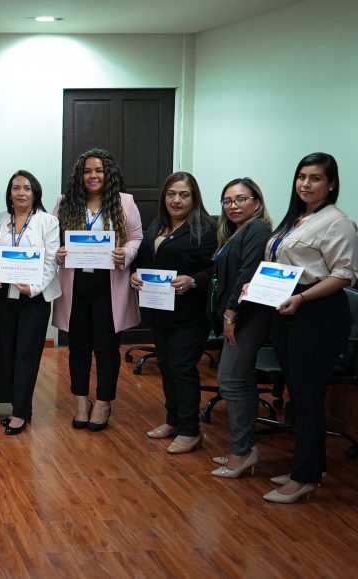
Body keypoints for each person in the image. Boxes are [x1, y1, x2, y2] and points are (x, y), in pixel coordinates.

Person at [259, 153, 357, 504]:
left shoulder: (338, 222)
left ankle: (304, 477)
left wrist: (302, 299)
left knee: (307, 396)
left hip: (317, 312)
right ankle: (310, 465)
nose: (306, 184)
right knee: (297, 394)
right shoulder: (296, 219)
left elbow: (343, 275)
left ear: (331, 184)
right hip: (286, 308)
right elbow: (278, 265)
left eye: (315, 178)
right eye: (302, 176)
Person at [53, 148, 143, 431]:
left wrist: (125, 254)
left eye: (99, 170)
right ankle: (82, 401)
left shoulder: (124, 203)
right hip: (75, 284)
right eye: (87, 171)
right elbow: (52, 238)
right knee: (77, 347)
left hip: (109, 285)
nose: (93, 176)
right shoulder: (64, 202)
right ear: (79, 176)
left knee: (106, 348)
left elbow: (137, 238)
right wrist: (57, 252)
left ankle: (103, 402)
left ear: (109, 175)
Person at [130, 172, 217, 454]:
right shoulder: (158, 224)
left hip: (190, 313)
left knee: (182, 367)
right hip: (160, 309)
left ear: (194, 198)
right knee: (166, 366)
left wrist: (193, 280)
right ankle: (173, 420)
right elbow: (147, 259)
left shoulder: (207, 229)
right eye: (171, 194)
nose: (176, 200)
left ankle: (191, 430)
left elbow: (214, 270)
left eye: (184, 195)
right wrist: (134, 275)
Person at [205, 177, 273, 478]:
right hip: (238, 315)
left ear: (256, 203)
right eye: (228, 201)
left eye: (241, 199)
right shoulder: (235, 232)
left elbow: (249, 274)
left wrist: (231, 313)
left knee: (230, 380)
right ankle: (245, 449)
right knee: (240, 380)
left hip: (248, 317)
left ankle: (242, 451)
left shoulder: (257, 229)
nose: (233, 205)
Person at [0, 170, 61, 435]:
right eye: (16, 188)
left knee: (26, 355)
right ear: (9, 192)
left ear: (35, 192)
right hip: (5, 298)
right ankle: (19, 407)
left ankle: (19, 413)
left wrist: (35, 288)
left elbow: (51, 261)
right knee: (8, 353)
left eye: (27, 188)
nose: (21, 193)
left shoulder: (48, 221)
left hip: (35, 299)